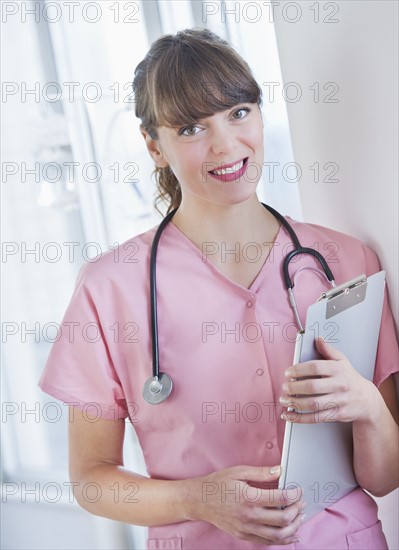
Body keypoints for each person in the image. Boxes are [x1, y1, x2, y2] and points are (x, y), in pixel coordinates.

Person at [39, 29, 398, 549]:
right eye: (190, 128)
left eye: (238, 112)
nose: (226, 144)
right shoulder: (109, 288)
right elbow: (91, 479)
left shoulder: (346, 261)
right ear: (152, 146)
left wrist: (365, 404)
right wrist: (195, 499)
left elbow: (385, 476)